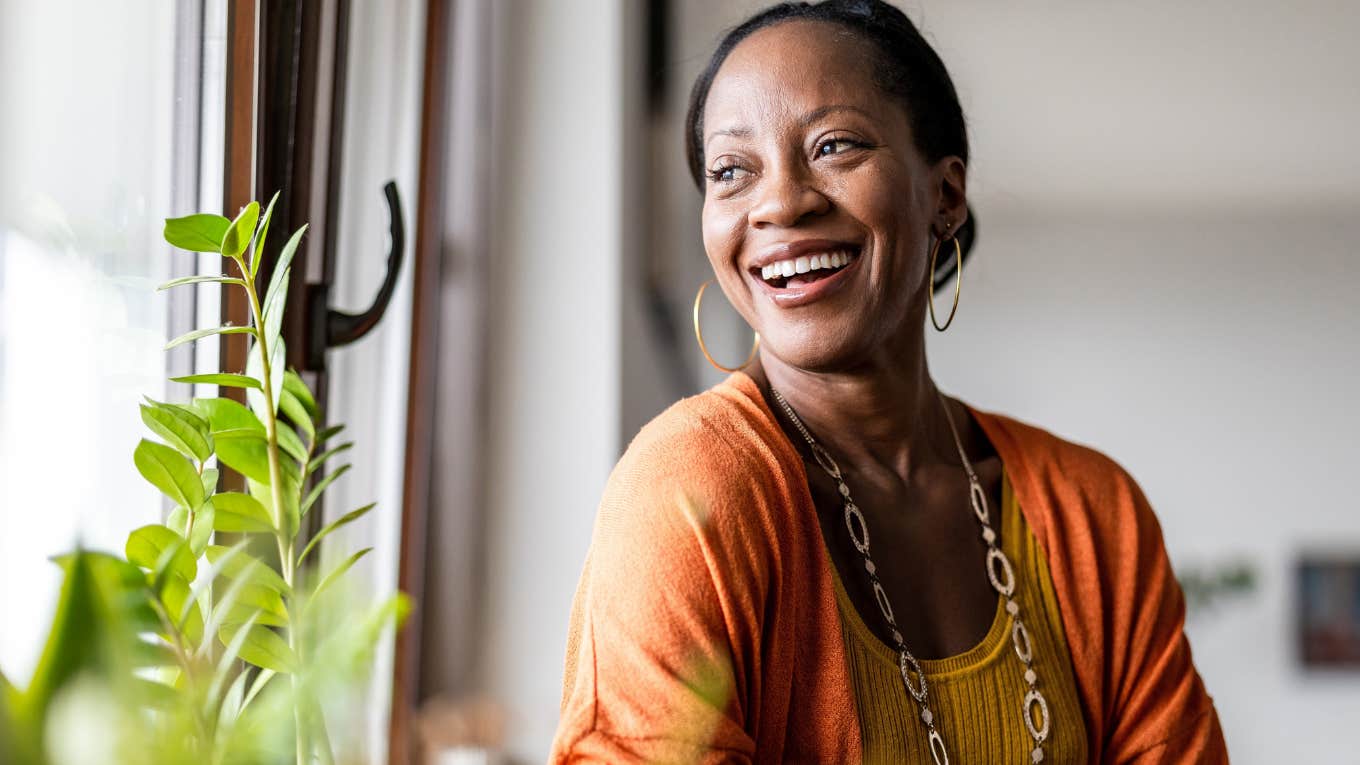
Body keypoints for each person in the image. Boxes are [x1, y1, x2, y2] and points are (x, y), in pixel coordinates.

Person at [551, 1, 1227, 762]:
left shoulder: (1093, 513)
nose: (779, 202)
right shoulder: (690, 485)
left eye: (834, 145)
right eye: (732, 171)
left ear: (944, 196)